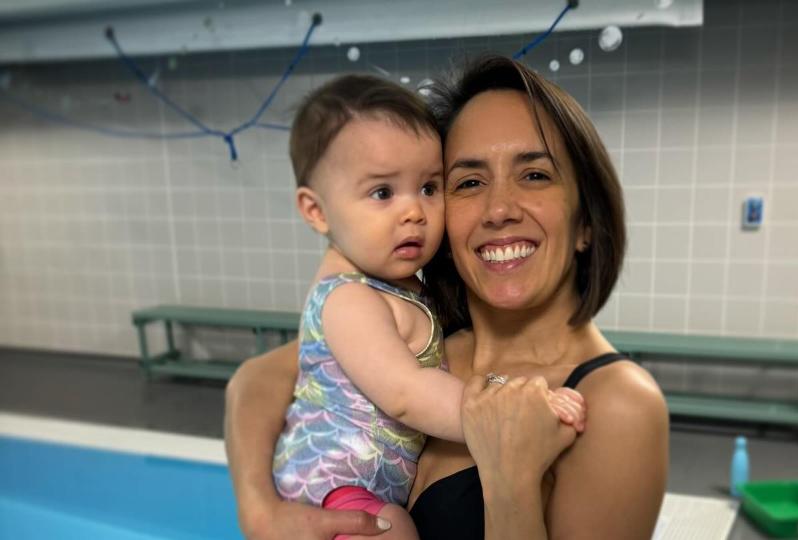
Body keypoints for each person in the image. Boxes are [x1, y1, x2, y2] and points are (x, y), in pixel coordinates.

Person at [225, 56, 668, 540]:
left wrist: (510, 484)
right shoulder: (426, 338)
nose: (499, 209)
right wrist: (260, 510)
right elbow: (253, 380)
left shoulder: (616, 404)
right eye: (469, 182)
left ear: (586, 221)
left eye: (535, 175)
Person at [266, 74, 585, 540]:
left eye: (429, 188)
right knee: (392, 530)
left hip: (368, 485)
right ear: (317, 212)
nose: (414, 211)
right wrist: (510, 411)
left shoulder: (406, 287)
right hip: (332, 487)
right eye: (382, 193)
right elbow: (406, 392)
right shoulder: (350, 298)